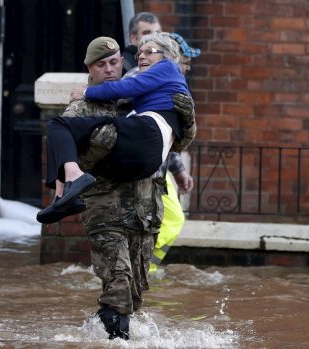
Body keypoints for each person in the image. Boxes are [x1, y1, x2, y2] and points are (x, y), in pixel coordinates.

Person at [37, 35, 196, 340]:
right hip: (106, 210)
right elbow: (69, 152)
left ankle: (108, 335)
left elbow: (172, 142)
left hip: (145, 211)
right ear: (90, 69)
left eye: (114, 62)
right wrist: (102, 144)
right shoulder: (81, 108)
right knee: (119, 283)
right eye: (102, 64)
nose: (110, 69)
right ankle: (112, 337)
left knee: (135, 291)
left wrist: (187, 119)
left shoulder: (137, 98)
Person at [40, 32, 191, 221]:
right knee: (66, 134)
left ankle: (65, 189)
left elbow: (126, 87)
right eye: (139, 54)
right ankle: (63, 195)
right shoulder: (156, 86)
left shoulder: (167, 67)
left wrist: (87, 92)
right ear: (89, 68)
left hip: (148, 141)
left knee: (57, 124)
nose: (142, 56)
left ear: (167, 55)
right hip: (144, 164)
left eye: (149, 51)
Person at [149, 33, 200, 273]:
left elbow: (170, 136)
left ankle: (144, 271)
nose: (188, 67)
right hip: (146, 173)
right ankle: (140, 271)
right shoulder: (152, 83)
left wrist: (178, 170)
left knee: (171, 221)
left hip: (159, 172)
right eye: (185, 60)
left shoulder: (173, 84)